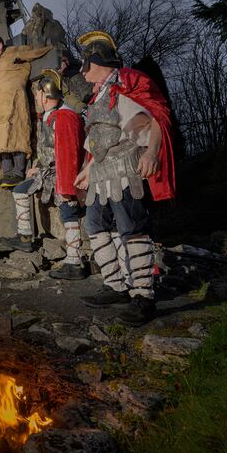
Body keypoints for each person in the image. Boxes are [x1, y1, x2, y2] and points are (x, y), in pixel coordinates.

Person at [74, 31, 176, 326]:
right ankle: (116, 285)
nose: (83, 70)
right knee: (94, 225)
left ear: (98, 61)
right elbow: (99, 140)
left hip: (126, 169)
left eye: (86, 63)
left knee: (132, 227)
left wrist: (152, 152)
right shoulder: (98, 96)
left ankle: (144, 296)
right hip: (101, 173)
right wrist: (88, 169)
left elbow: (155, 118)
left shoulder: (128, 83)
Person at [2, 70, 86, 280]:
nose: (37, 99)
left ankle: (75, 262)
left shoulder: (65, 118)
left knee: (68, 211)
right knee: (20, 190)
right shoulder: (49, 116)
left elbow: (68, 153)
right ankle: (25, 237)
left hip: (64, 173)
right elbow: (49, 147)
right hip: (48, 171)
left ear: (46, 96)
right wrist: (38, 165)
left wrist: (68, 184)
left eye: (38, 95)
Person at [0, 34, 51, 187]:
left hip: (13, 102)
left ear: (0, 46)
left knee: (16, 134)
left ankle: (18, 173)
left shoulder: (14, 54)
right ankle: (7, 173)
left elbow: (34, 53)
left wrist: (52, 49)